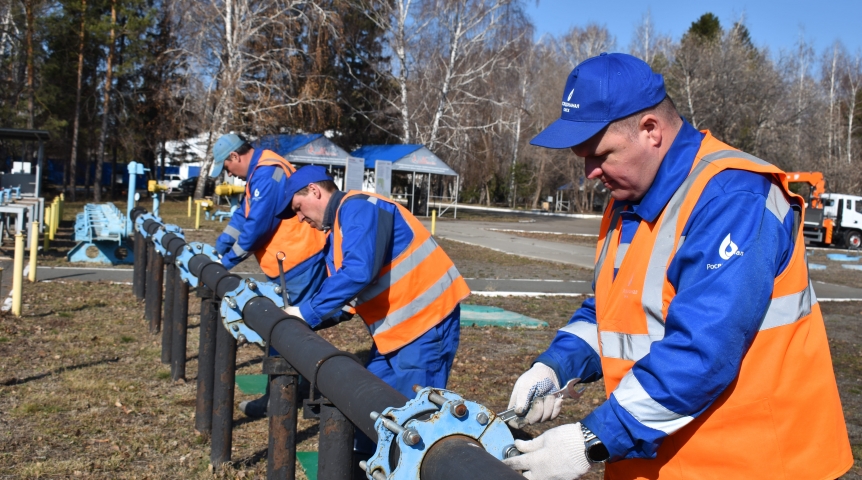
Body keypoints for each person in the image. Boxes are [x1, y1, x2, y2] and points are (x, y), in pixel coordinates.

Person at [502, 53, 853, 480]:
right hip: (668, 462)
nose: (591, 172)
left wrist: (592, 440)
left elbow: (702, 350)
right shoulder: (628, 201)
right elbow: (611, 314)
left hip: (756, 463)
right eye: (583, 158)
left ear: (651, 130)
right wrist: (556, 367)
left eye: (600, 153)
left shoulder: (732, 198)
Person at [281, 165, 470, 400]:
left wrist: (305, 312)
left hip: (425, 326)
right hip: (398, 333)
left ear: (314, 191)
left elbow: (358, 273)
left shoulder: (358, 208)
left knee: (412, 419)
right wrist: (301, 318)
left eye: (298, 208)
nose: (299, 218)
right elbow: (349, 297)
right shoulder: (340, 228)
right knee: (372, 408)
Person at [208, 133, 328, 417]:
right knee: (290, 327)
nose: (229, 174)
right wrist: (220, 247)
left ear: (235, 157)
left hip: (298, 260)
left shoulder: (268, 172)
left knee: (286, 328)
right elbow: (243, 216)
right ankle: (299, 388)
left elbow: (258, 226)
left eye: (227, 167)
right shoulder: (259, 174)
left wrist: (227, 261)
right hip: (289, 262)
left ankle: (280, 396)